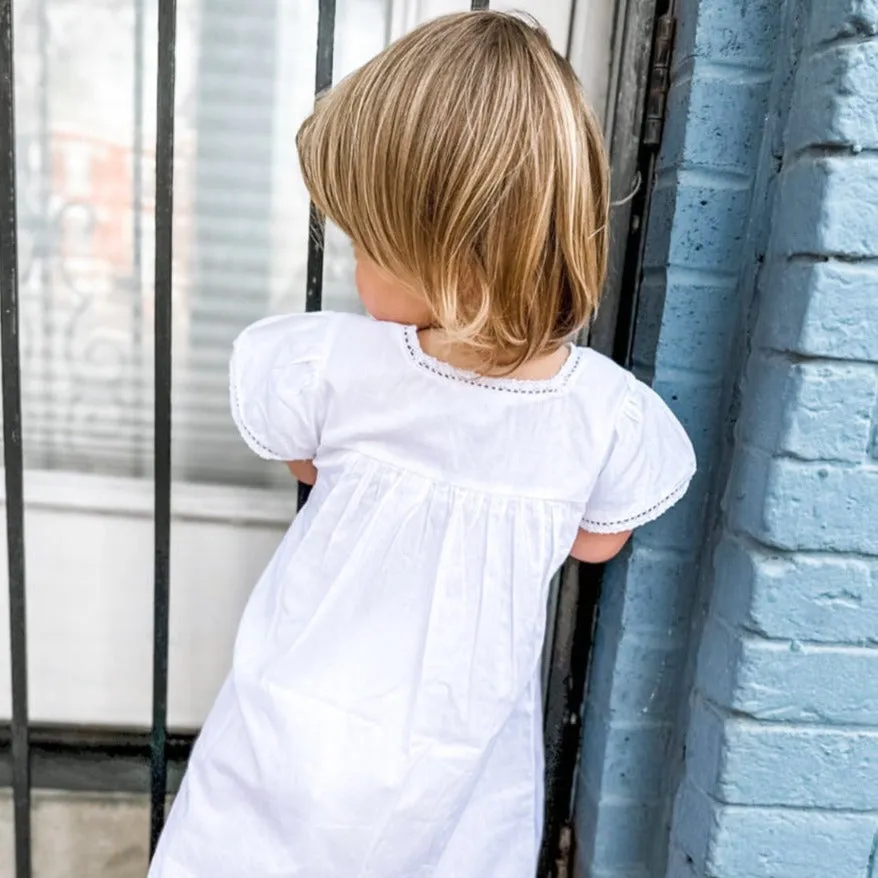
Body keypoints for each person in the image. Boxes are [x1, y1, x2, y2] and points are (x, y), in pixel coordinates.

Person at [149, 10, 696, 878]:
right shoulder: (600, 415)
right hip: (458, 749)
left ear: (453, 258)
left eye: (369, 244)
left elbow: (303, 455)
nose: (355, 265)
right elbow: (599, 540)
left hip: (300, 717)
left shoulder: (339, 366)